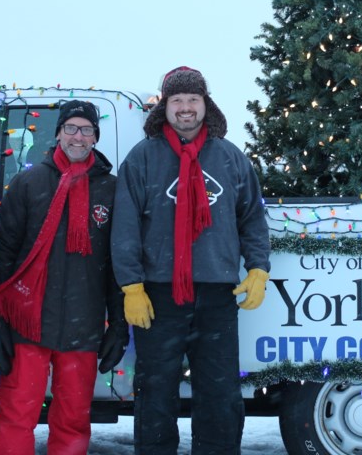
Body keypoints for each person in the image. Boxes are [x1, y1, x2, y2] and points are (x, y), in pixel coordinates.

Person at [111, 66, 271, 455]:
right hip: (159, 295)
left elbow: (251, 217)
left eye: (193, 100)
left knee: (219, 391)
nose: (185, 108)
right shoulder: (143, 158)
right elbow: (126, 225)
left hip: (217, 293)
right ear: (165, 107)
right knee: (155, 390)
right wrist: (131, 286)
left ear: (206, 104)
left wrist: (258, 268)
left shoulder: (231, 158)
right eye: (177, 100)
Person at [0, 100, 128, 455]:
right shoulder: (29, 182)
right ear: (57, 133)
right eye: (71, 128)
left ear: (96, 137)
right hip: (27, 322)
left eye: (86, 130)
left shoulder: (111, 190)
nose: (77, 137)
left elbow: (118, 262)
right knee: (17, 415)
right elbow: (4, 256)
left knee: (73, 420)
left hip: (84, 326)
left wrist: (119, 324)